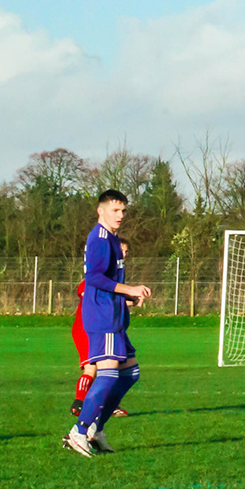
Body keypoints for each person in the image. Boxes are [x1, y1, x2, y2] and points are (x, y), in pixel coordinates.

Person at [63, 191, 151, 457]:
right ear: (100, 211)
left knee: (130, 373)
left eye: (123, 211)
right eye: (115, 210)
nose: (121, 216)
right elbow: (95, 279)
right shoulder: (100, 238)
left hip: (113, 314)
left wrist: (127, 297)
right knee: (109, 375)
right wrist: (129, 288)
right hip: (103, 317)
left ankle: (96, 428)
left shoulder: (112, 238)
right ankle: (79, 432)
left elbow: (108, 282)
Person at [70, 238, 135, 418]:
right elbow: (91, 293)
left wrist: (132, 299)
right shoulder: (97, 275)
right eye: (121, 250)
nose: (124, 255)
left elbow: (114, 300)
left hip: (107, 327)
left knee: (114, 369)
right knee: (92, 367)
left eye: (126, 251)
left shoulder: (114, 276)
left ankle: (106, 405)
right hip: (88, 328)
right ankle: (80, 403)